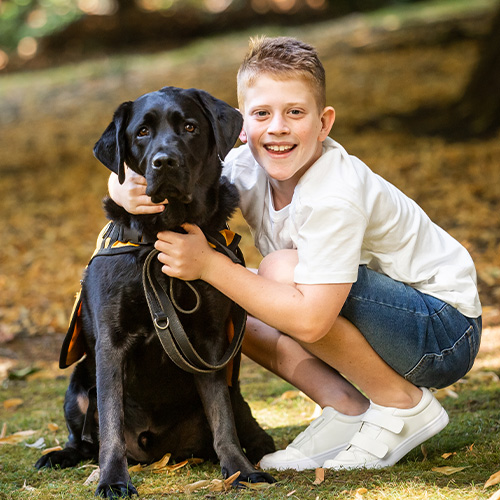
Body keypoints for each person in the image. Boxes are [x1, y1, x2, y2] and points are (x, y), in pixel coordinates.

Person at [108, 36, 482, 471]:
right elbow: (146, 167)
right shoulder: (248, 166)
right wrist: (120, 186)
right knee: (232, 315)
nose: (278, 128)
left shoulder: (334, 193)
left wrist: (208, 264)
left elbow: (311, 320)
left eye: (295, 113)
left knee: (279, 270)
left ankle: (402, 404)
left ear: (324, 124)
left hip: (443, 330)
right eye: (263, 114)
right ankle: (346, 406)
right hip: (387, 323)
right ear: (241, 128)